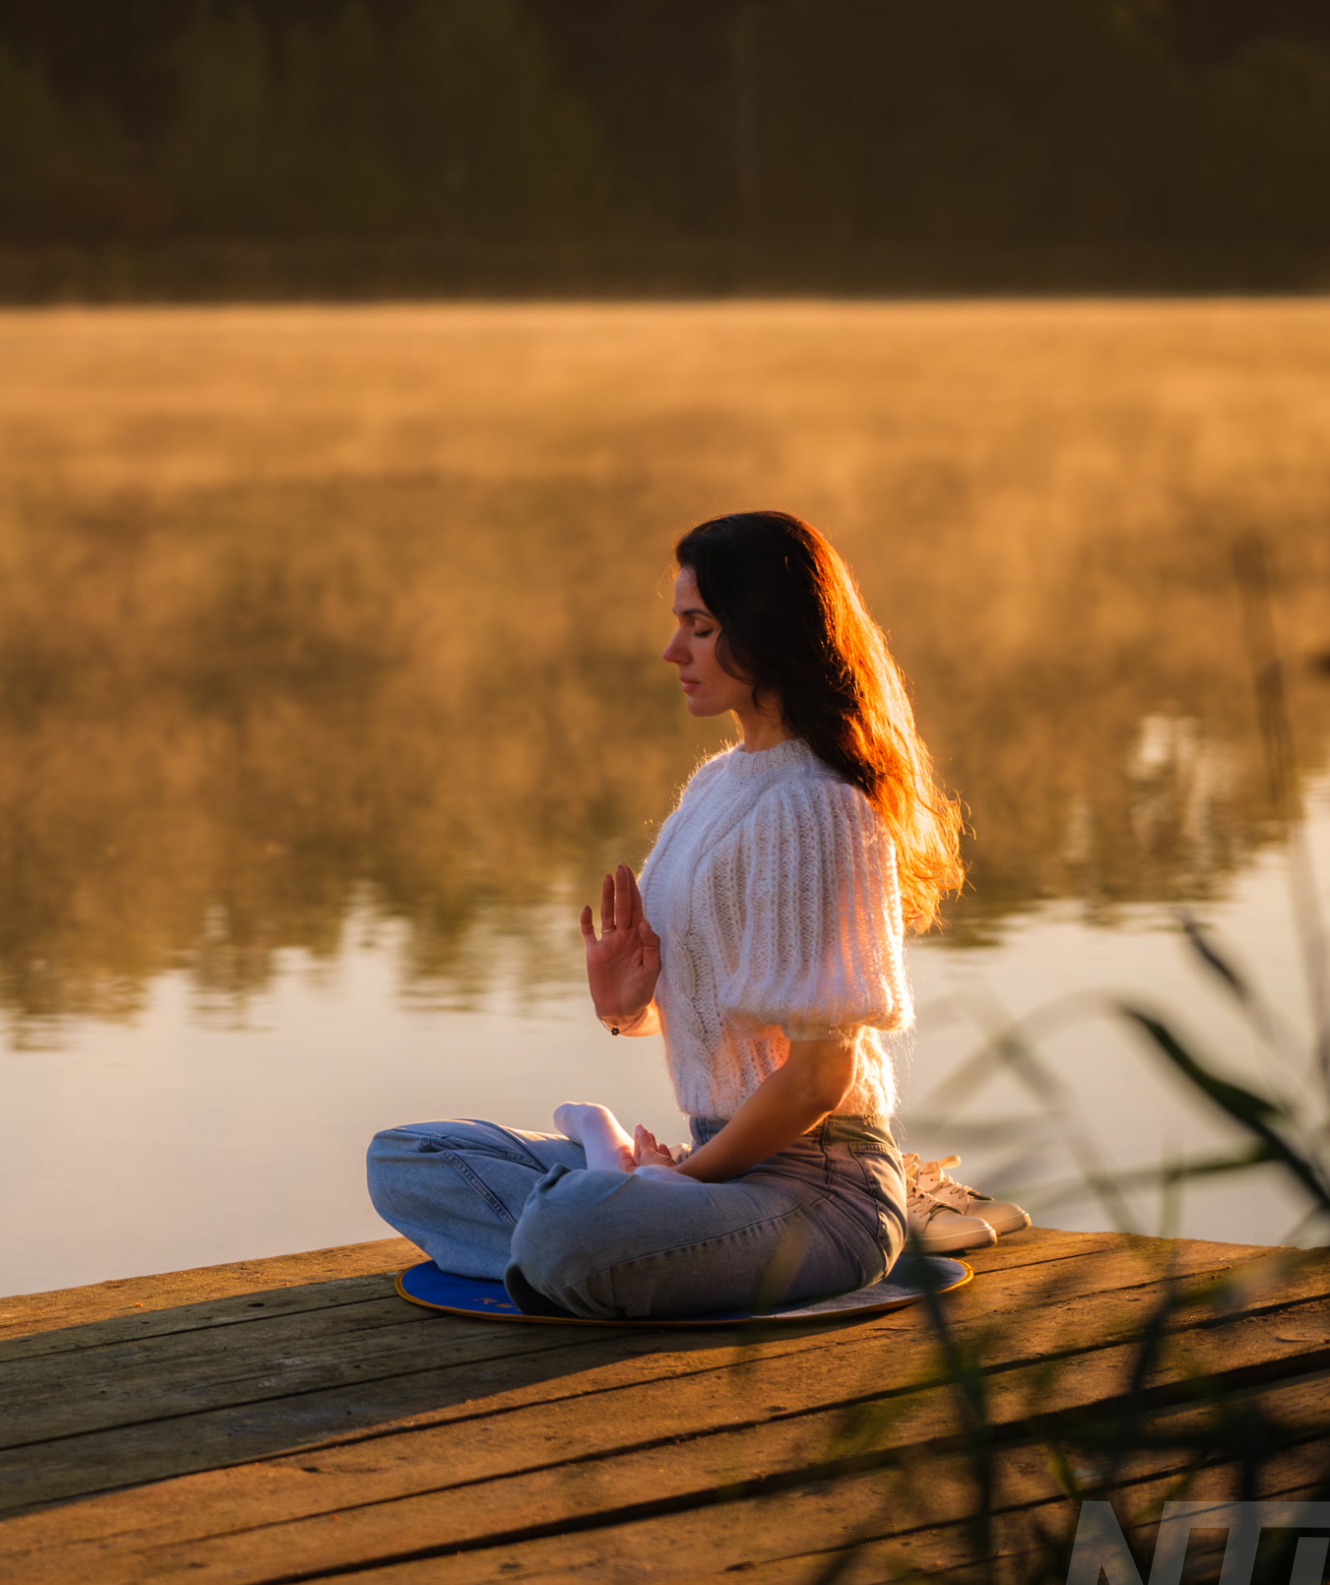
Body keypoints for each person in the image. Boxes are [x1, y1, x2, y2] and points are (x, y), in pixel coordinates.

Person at [366, 511, 968, 1319]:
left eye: (700, 626)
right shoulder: (716, 786)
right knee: (410, 1159)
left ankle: (601, 1211)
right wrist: (628, 1006)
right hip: (713, 1166)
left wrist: (682, 1179)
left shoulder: (821, 807)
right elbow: (710, 1014)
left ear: (769, 632)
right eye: (678, 624)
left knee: (570, 1231)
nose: (672, 650)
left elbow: (823, 1074)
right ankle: (612, 1204)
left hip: (821, 1193)